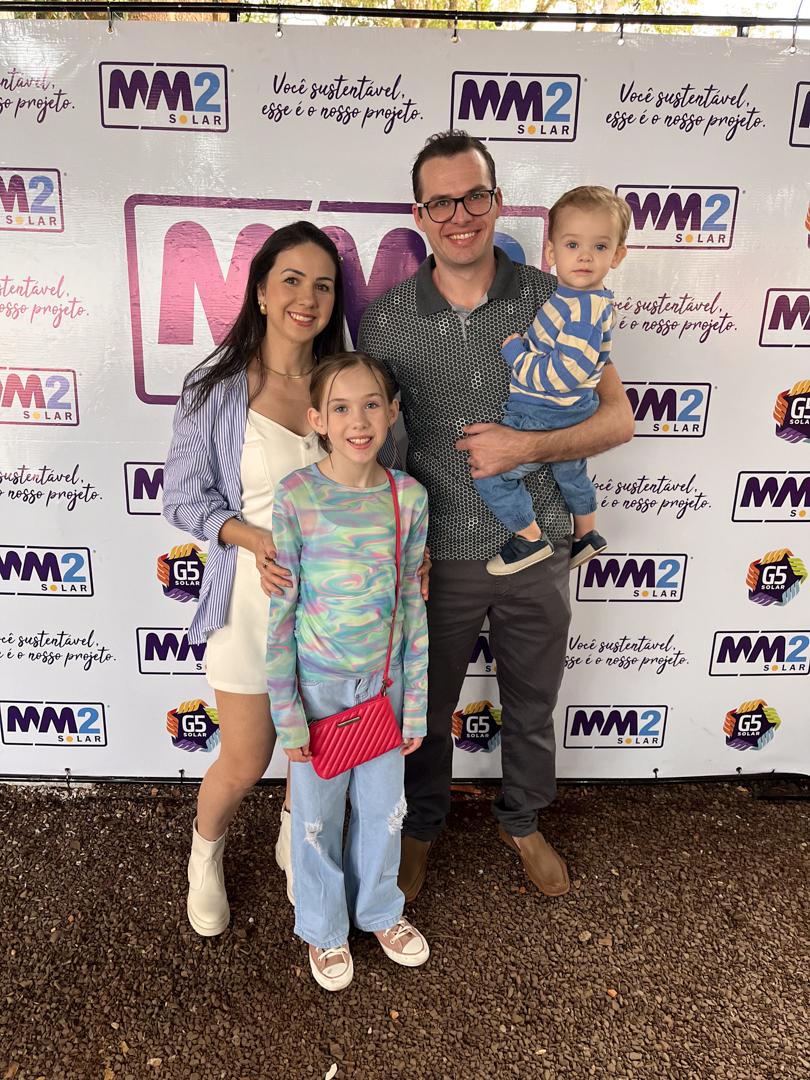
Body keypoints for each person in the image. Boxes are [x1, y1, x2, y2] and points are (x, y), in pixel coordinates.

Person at [359, 131, 634, 901]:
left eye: (474, 196)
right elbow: (369, 442)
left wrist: (526, 446)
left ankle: (523, 820)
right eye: (441, 202)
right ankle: (421, 826)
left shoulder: (556, 297)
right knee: (424, 707)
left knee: (533, 703)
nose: (460, 215)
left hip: (537, 545)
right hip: (437, 556)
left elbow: (617, 419)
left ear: (498, 201)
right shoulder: (385, 322)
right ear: (419, 214)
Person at [162, 221, 346, 936]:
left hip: (332, 604)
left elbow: (380, 480)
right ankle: (204, 854)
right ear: (262, 293)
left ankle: (295, 840)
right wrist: (252, 536)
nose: (307, 297)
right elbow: (183, 497)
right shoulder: (214, 389)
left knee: (317, 748)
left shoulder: (345, 384)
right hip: (248, 598)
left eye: (322, 285)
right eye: (291, 281)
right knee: (245, 758)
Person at [266, 352, 430, 991]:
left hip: (385, 689)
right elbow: (282, 613)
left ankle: (381, 910)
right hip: (318, 692)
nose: (357, 421)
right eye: (340, 408)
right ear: (318, 420)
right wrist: (288, 713)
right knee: (316, 819)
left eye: (370, 405)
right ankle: (323, 926)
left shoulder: (407, 497)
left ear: (391, 414)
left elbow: (411, 603)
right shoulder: (297, 495)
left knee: (385, 811)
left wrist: (414, 704)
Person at [476, 185, 629, 576]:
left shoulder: (584, 310)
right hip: (569, 410)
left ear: (617, 255)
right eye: (573, 244)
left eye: (599, 247)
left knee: (490, 475)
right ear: (551, 252)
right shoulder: (575, 299)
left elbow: (563, 375)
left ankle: (529, 538)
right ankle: (587, 535)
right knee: (570, 472)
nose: (584, 256)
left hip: (544, 411)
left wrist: (517, 355)